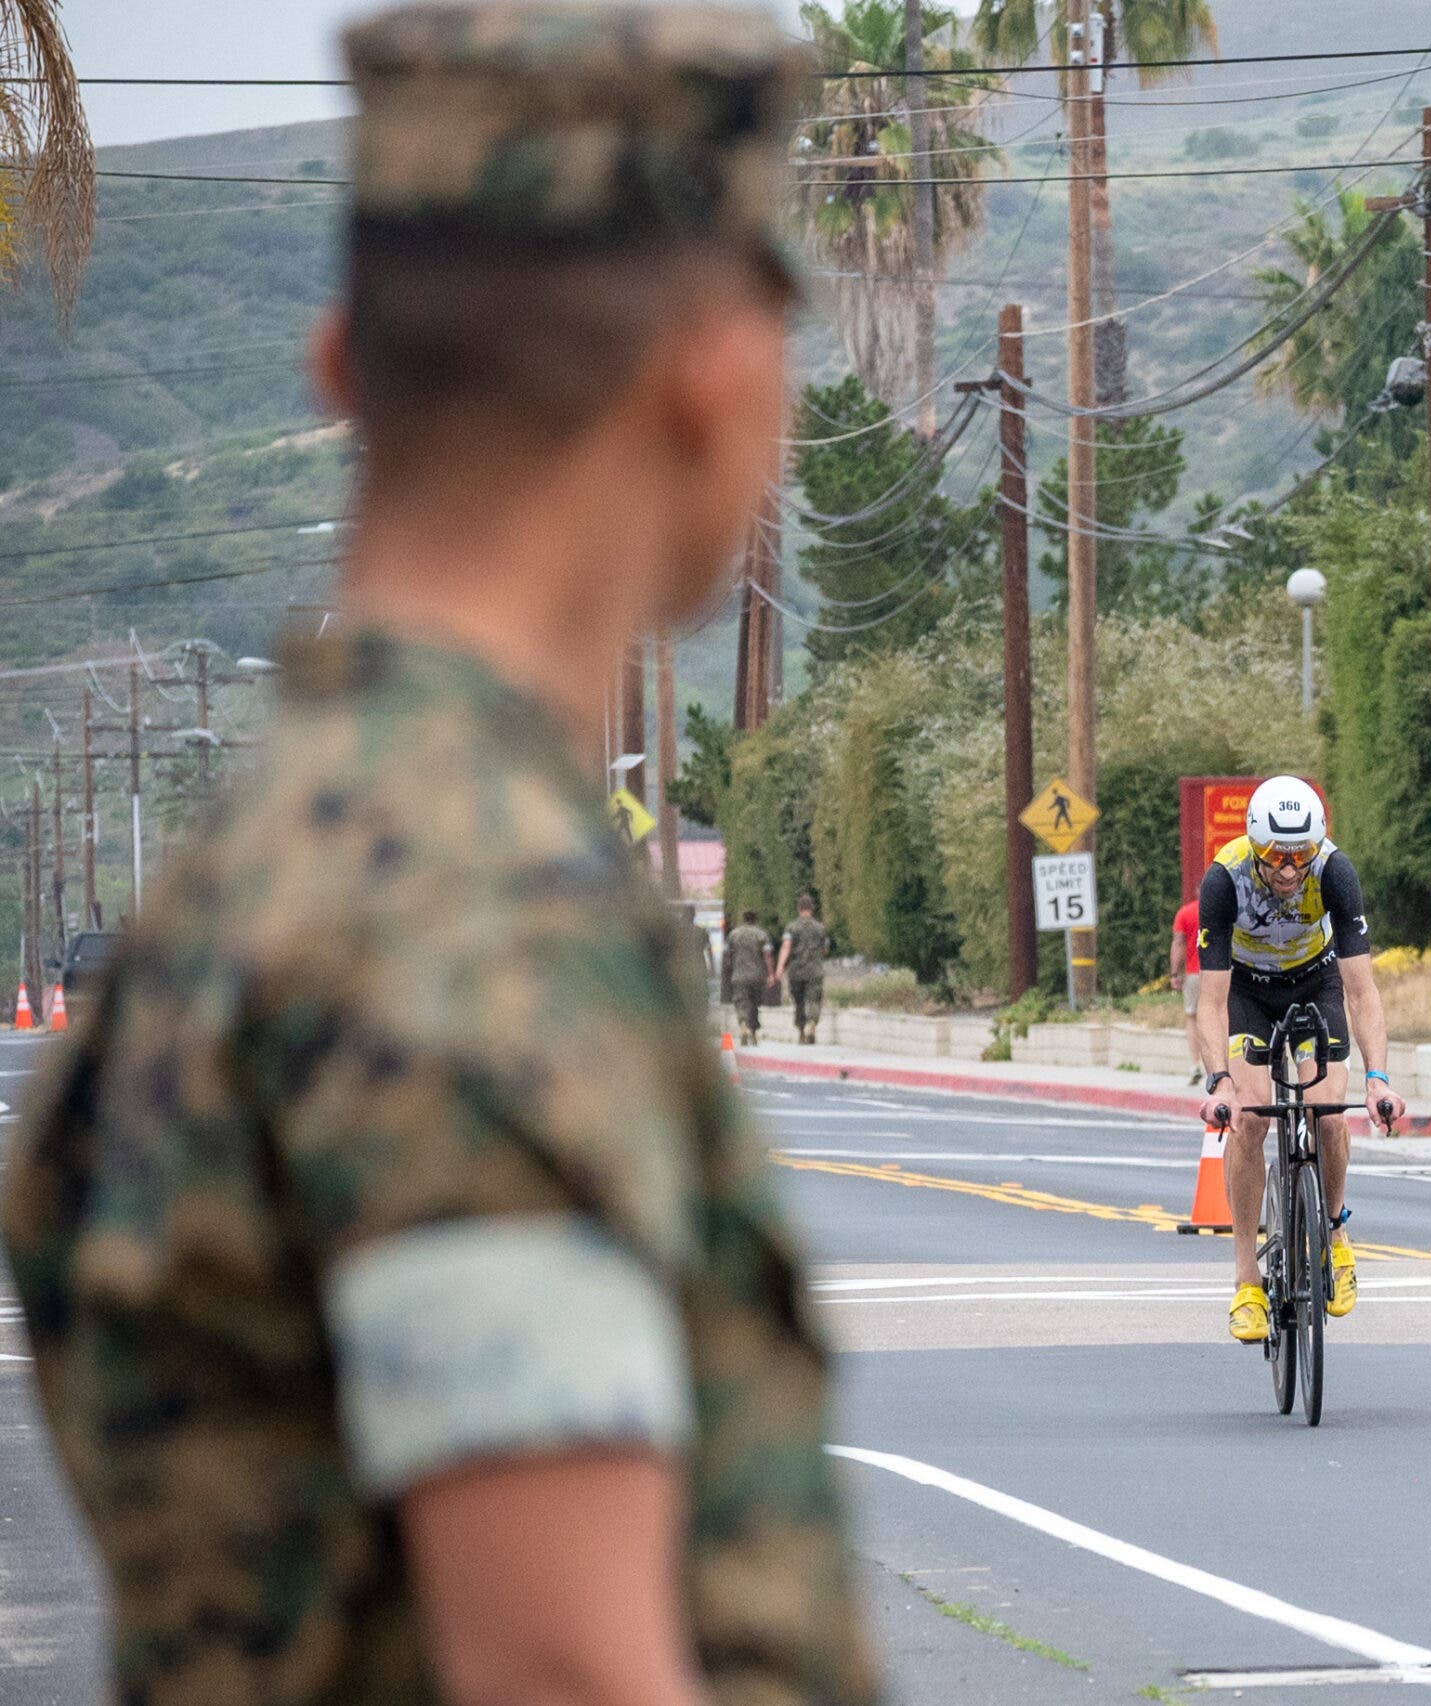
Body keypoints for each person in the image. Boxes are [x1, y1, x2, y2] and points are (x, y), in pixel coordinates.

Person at [0, 9, 879, 1703]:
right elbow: (560, 1670)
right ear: (722, 376)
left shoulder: (261, 862)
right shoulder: (458, 915)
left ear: (341, 366)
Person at [1189, 776, 1404, 1342]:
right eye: (1276, 857)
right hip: (1248, 994)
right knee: (1252, 1118)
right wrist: (1220, 1084)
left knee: (1329, 1112)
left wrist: (1379, 1078)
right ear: (1256, 847)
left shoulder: (1335, 872)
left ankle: (1334, 1234)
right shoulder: (1223, 880)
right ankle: (1245, 1281)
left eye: (1300, 855)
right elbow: (1210, 1004)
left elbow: (1361, 991)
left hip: (1317, 984)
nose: (1289, 870)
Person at [773, 891, 829, 1044]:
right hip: (815, 970)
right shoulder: (820, 928)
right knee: (814, 998)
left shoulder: (791, 928)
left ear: (799, 909)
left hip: (796, 971)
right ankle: (812, 1023)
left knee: (799, 1001)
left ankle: (801, 1031)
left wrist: (779, 968)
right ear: (812, 908)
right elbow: (825, 950)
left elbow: (786, 947)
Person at [727, 906, 774, 1045]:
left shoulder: (733, 935)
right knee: (754, 1004)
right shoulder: (762, 935)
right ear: (755, 920)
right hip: (756, 976)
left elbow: (728, 956)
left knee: (741, 1003)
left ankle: (743, 1028)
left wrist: (730, 972)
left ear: (743, 919)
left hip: (739, 975)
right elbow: (767, 956)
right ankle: (753, 1033)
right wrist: (770, 974)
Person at [1170, 893, 1202, 1082]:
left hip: (1194, 973)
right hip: (1221, 971)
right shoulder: (1220, 908)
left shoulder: (1185, 913)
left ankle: (1196, 1063)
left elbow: (1179, 942)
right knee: (1221, 1015)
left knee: (1192, 1017)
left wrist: (1175, 973)